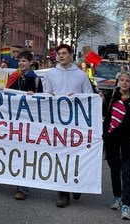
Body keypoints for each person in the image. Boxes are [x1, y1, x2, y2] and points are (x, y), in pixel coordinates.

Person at [41, 43, 93, 207]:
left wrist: (78, 97)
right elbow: (45, 93)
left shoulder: (81, 75)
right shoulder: (51, 74)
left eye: (64, 53)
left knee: (75, 154)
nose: (61, 56)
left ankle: (76, 183)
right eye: (59, 54)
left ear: (71, 55)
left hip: (76, 122)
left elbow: (89, 96)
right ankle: (63, 192)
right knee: (60, 155)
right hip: (57, 121)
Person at [103, 71, 130, 220]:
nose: (124, 83)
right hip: (112, 143)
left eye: (127, 80)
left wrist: (109, 136)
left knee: (126, 173)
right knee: (114, 170)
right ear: (118, 81)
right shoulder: (111, 97)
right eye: (122, 80)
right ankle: (116, 196)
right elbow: (104, 116)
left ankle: (126, 205)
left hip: (128, 142)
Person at [5, 50, 42, 200]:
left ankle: (24, 188)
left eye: (24, 61)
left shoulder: (35, 79)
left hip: (29, 121)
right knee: (15, 151)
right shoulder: (14, 77)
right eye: (19, 61)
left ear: (31, 62)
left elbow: (42, 100)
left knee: (26, 153)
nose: (21, 63)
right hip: (15, 120)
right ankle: (18, 182)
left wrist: (35, 96)